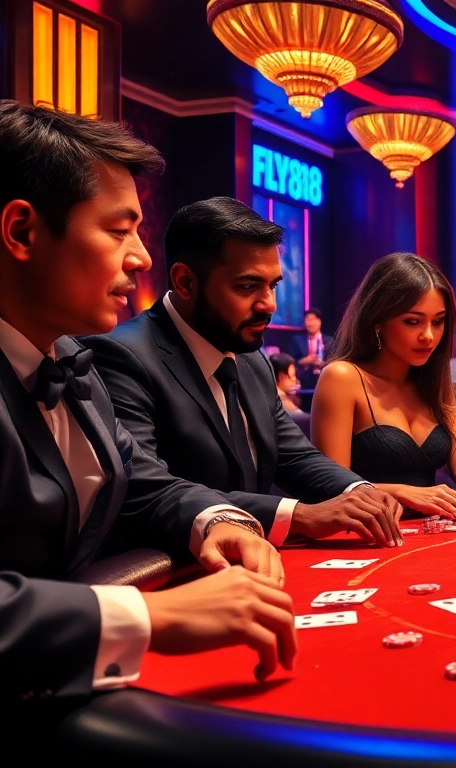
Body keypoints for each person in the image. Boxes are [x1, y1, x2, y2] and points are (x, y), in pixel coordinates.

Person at [0, 100, 295, 710]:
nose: (139, 257)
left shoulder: (71, 363)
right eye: (117, 230)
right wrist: (148, 615)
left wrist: (220, 521)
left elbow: (143, 483)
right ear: (23, 232)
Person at [84, 198, 406, 549]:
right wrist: (299, 515)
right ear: (185, 282)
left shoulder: (252, 358)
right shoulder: (122, 355)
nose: (269, 303)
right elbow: (145, 485)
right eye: (247, 286)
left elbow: (294, 456)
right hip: (175, 572)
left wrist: (359, 492)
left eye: (273, 285)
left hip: (256, 560)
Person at [311, 253, 456, 519]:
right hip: (366, 533)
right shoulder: (342, 377)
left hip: (430, 530)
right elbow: (330, 487)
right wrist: (402, 491)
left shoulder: (435, 382)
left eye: (438, 321)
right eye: (413, 321)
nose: (429, 336)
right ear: (378, 322)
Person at [290, 308, 332, 389]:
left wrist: (322, 363)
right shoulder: (296, 340)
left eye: (313, 320)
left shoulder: (330, 341)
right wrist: (303, 361)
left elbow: (334, 361)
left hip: (325, 380)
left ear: (319, 321)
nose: (310, 323)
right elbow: (290, 360)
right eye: (307, 320)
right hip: (303, 381)